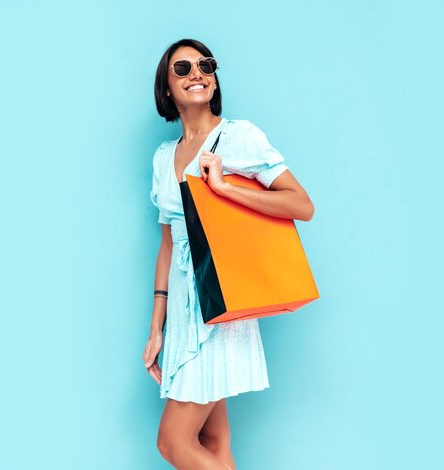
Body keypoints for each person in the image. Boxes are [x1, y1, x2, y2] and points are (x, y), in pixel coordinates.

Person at [143, 38, 315, 470]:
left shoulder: (237, 137)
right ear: (166, 89)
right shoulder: (163, 158)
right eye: (182, 69)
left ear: (215, 79)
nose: (196, 73)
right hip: (183, 316)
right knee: (213, 440)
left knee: (174, 443)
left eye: (205, 65)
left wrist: (223, 188)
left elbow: (301, 205)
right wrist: (156, 328)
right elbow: (168, 246)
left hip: (220, 301)